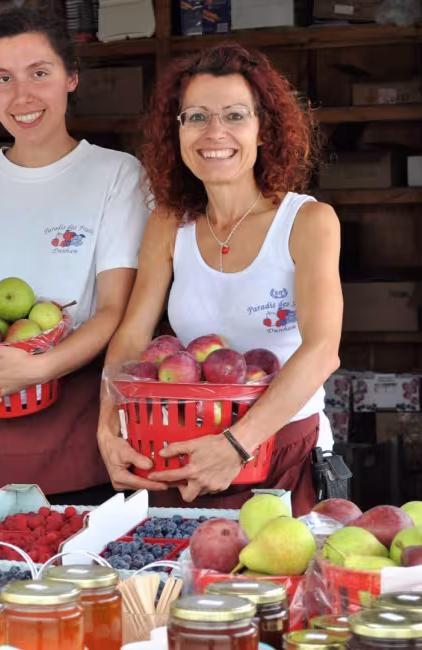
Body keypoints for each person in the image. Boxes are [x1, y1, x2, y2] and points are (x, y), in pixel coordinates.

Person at [95, 43, 342, 515]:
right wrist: (108, 427)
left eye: (234, 115)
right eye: (196, 117)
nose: (215, 133)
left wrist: (235, 444)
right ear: (178, 130)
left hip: (281, 447)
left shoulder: (308, 222)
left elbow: (321, 351)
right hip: (183, 447)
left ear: (263, 129)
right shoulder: (169, 224)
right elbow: (131, 335)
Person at [0, 6, 149, 505]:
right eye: (3, 78)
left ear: (71, 77)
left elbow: (116, 309)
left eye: (39, 74)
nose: (21, 96)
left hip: (77, 429)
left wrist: (40, 368)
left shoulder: (116, 174)